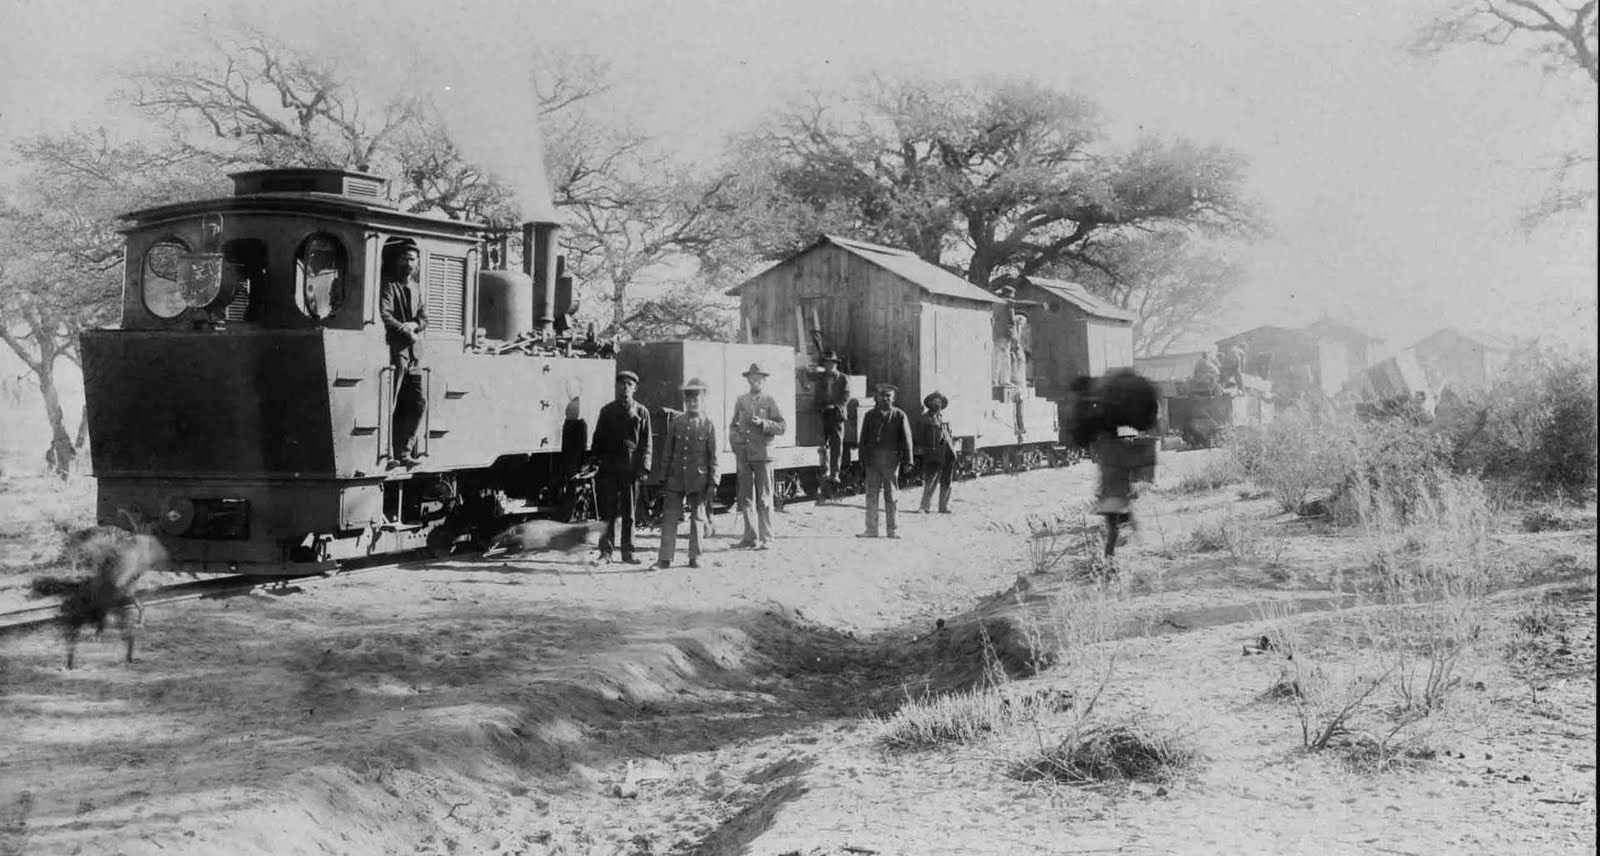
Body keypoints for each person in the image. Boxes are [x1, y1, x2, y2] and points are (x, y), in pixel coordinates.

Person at [590, 370, 653, 564]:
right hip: (609, 469)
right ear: (616, 387)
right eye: (621, 384)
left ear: (635, 388)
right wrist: (596, 461)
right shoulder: (607, 411)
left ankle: (629, 552)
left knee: (629, 514)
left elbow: (646, 443)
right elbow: (598, 439)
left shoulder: (642, 412)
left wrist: (644, 468)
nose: (624, 387)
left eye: (629, 384)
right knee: (607, 513)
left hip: (630, 470)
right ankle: (605, 553)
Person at [656, 378, 718, 570]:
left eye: (696, 399)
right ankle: (665, 558)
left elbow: (713, 456)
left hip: (698, 478)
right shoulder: (676, 423)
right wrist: (662, 477)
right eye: (689, 400)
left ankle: (695, 556)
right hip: (676, 478)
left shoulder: (708, 425)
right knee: (669, 518)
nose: (692, 403)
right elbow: (667, 452)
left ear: (703, 400)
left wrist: (713, 481)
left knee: (697, 519)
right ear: (685, 401)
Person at [379, 241, 428, 467]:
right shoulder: (389, 286)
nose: (409, 264)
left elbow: (424, 318)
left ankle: (405, 452)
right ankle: (387, 453)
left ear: (417, 263)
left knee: (418, 403)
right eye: (405, 259)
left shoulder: (417, 288)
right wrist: (404, 329)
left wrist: (415, 325)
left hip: (414, 353)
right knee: (391, 402)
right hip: (396, 350)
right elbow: (385, 314)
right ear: (398, 261)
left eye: (412, 260)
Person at [729, 362, 787, 549]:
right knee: (745, 497)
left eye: (759, 379)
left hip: (763, 454)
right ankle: (749, 537)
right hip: (744, 454)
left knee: (764, 497)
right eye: (752, 378)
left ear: (763, 380)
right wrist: (736, 443)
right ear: (748, 380)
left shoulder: (769, 400)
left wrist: (763, 423)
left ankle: (766, 537)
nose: (755, 382)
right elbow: (733, 426)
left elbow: (782, 427)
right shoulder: (741, 400)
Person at [856, 383, 914, 539]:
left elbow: (906, 440)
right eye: (882, 395)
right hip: (872, 462)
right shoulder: (869, 416)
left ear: (893, 398)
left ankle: (893, 530)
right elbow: (863, 439)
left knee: (891, 496)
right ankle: (871, 530)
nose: (885, 398)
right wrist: (862, 460)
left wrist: (908, 461)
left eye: (888, 396)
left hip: (890, 462)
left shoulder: (899, 415)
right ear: (876, 397)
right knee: (871, 495)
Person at [811, 351, 850, 484]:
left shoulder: (843, 378)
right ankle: (825, 470)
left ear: (835, 364)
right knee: (822, 444)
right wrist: (819, 406)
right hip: (823, 414)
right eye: (827, 363)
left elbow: (846, 396)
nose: (829, 365)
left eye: (831, 363)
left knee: (836, 445)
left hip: (837, 415)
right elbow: (817, 393)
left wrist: (835, 406)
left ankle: (835, 473)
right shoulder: (821, 378)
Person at [916, 391, 957, 514]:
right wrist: (925, 450)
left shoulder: (944, 418)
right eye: (934, 401)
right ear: (929, 403)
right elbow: (919, 437)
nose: (937, 404)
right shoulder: (925, 419)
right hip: (933, 454)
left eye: (939, 402)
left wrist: (952, 447)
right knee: (931, 480)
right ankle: (924, 506)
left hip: (947, 453)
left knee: (947, 481)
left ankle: (944, 506)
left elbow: (950, 434)